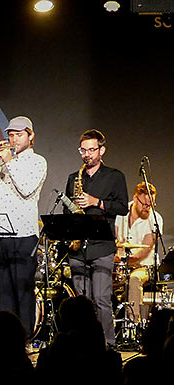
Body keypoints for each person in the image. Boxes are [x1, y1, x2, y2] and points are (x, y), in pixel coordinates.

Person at [0, 116, 47, 336]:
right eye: (11, 135)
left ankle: (24, 340)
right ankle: (5, 340)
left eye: (19, 135)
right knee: (4, 292)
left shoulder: (38, 162)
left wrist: (9, 162)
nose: (13, 139)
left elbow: (26, 188)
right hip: (2, 232)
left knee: (23, 291)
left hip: (24, 235)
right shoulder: (5, 160)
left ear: (31, 136)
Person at [64, 129, 128, 347]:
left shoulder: (115, 176)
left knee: (101, 300)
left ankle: (107, 345)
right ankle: (81, 344)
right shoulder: (74, 178)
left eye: (91, 150)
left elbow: (122, 207)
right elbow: (68, 212)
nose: (87, 155)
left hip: (102, 246)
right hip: (78, 248)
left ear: (102, 150)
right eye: (83, 150)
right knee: (81, 303)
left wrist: (96, 202)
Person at [115, 181, 163, 322]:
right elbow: (115, 239)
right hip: (122, 265)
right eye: (145, 204)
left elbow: (145, 251)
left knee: (134, 279)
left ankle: (133, 323)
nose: (148, 208)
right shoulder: (121, 213)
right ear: (136, 198)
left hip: (144, 267)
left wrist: (123, 261)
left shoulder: (155, 218)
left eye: (151, 204)